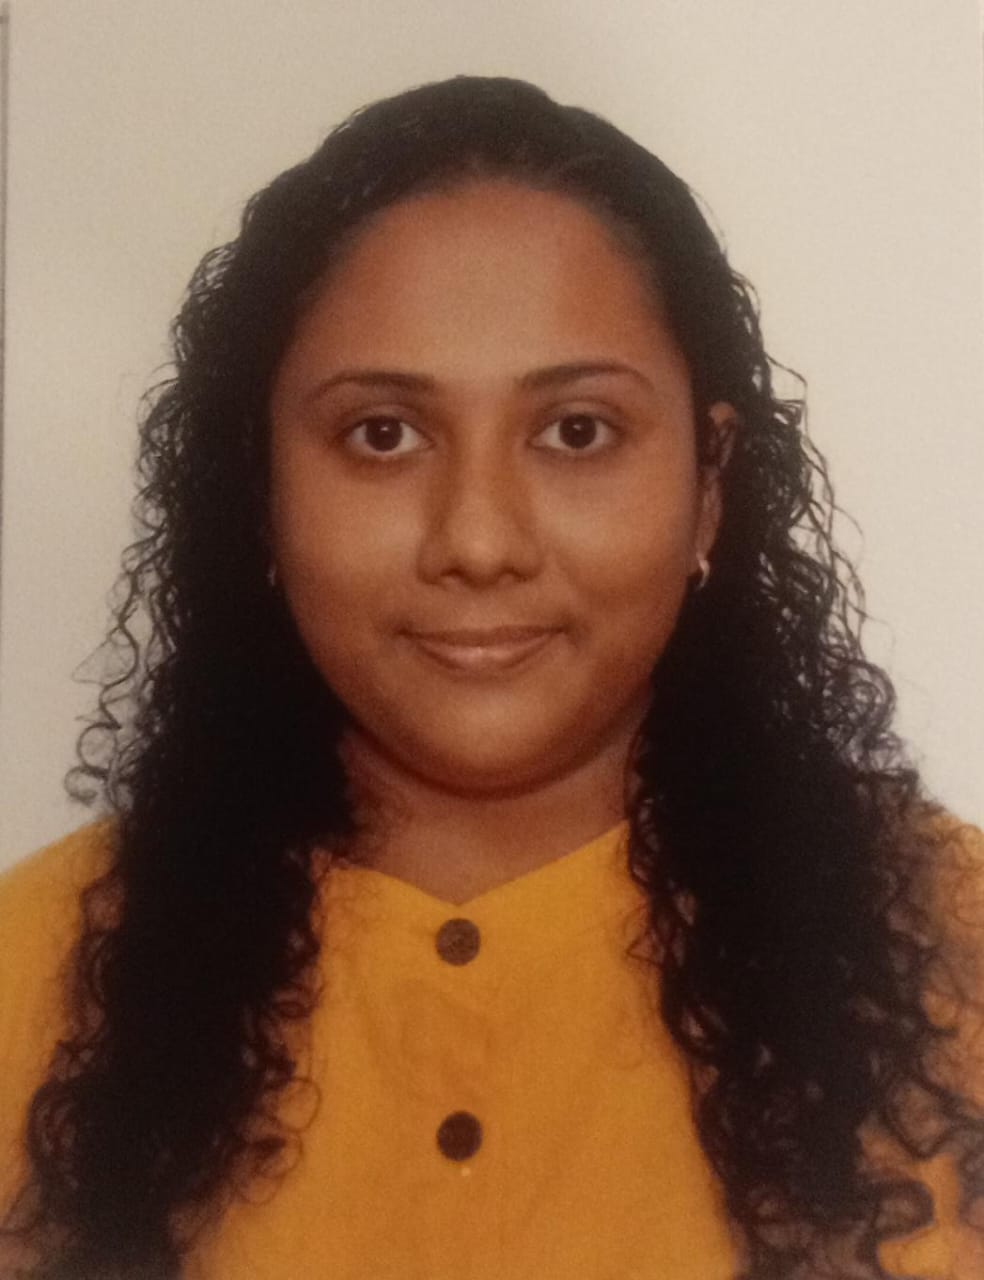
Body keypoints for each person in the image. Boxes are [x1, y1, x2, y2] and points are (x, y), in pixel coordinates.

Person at [0, 73, 981, 1280]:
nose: (478, 539)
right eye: (382, 434)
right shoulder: (30, 973)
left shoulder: (959, 948)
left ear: (709, 485)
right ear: (261, 492)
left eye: (577, 431)